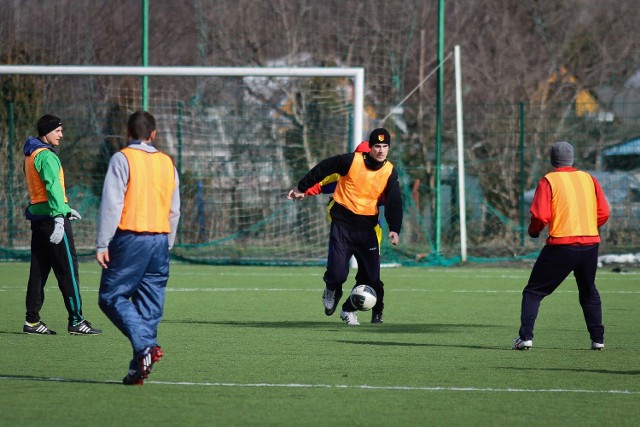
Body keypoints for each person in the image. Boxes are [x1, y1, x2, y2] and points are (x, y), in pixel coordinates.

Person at [96, 111, 180, 385]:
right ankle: (137, 369)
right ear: (153, 135)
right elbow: (174, 209)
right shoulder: (168, 163)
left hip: (131, 237)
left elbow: (113, 203)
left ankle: (145, 346)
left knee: (111, 296)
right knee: (149, 309)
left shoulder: (122, 158)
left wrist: (103, 242)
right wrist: (168, 242)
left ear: (128, 133)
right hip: (160, 241)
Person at [288, 128, 403, 326]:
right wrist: (302, 188)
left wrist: (394, 228)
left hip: (368, 230)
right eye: (377, 146)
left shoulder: (389, 171)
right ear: (368, 149)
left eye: (385, 146)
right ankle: (332, 288)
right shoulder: (351, 162)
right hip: (343, 225)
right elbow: (324, 170)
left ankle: (349, 309)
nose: (381, 150)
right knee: (337, 273)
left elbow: (394, 201)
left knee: (371, 280)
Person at [513, 141, 610, 351]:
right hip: (590, 245)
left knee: (533, 292)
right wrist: (588, 227)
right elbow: (604, 212)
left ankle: (525, 338)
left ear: (552, 159)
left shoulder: (549, 180)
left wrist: (534, 230)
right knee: (588, 291)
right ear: (572, 158)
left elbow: (540, 215)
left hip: (561, 246)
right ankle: (598, 339)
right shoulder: (589, 179)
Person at [22, 114, 102, 336]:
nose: (61, 134)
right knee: (68, 269)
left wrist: (66, 208)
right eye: (57, 130)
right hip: (52, 220)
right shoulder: (47, 156)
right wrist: (60, 215)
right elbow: (52, 187)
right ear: (46, 132)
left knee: (38, 271)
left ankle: (32, 321)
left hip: (38, 220)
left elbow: (40, 192)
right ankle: (76, 320)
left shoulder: (30, 154)